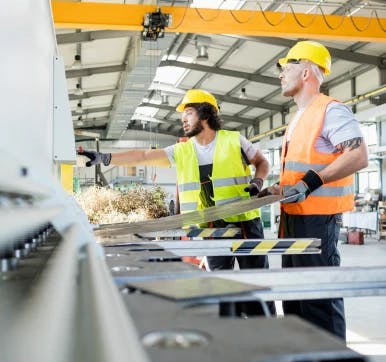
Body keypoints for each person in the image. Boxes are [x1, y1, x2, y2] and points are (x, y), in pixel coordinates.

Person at [79, 88, 275, 316]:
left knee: (256, 286)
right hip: (210, 229)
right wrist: (105, 158)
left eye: (189, 112)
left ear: (205, 114)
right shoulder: (182, 150)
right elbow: (143, 157)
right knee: (219, 286)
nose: (183, 119)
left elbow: (262, 162)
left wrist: (258, 181)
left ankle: (264, 327)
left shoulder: (234, 140)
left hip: (244, 224)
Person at [260, 41, 368, 339]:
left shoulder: (330, 110)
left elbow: (358, 156)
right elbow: (299, 170)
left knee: (319, 299)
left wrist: (311, 182)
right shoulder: (297, 118)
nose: (281, 75)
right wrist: (277, 189)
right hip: (293, 220)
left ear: (306, 71)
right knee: (295, 300)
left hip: (318, 223)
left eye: (287, 68)